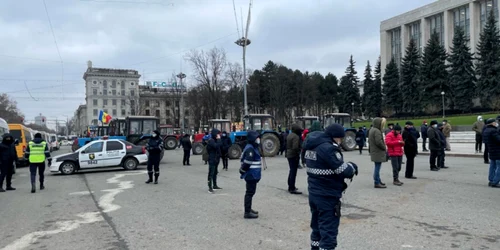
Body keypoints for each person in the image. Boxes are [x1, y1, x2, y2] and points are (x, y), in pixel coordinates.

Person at [304, 123, 358, 250]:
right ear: (335, 137)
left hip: (314, 193)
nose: (340, 141)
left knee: (317, 229)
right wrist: (352, 166)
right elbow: (343, 170)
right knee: (328, 233)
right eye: (340, 138)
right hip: (327, 195)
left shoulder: (311, 146)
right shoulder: (328, 149)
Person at [239, 130, 262, 219]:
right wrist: (242, 170)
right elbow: (248, 162)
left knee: (251, 192)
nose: (258, 140)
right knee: (249, 192)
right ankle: (247, 212)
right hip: (251, 175)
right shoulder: (250, 149)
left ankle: (249, 209)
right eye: (257, 138)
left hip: (253, 174)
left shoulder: (252, 147)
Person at [369, 117, 388, 188]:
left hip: (374, 151)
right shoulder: (377, 131)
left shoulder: (372, 129)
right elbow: (379, 142)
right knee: (377, 168)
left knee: (377, 167)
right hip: (378, 152)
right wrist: (384, 147)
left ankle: (378, 180)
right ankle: (376, 182)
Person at [286, 124, 303, 194]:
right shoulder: (296, 137)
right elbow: (295, 147)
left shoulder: (290, 135)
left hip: (289, 154)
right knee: (293, 172)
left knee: (291, 171)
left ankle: (290, 185)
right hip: (293, 155)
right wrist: (298, 152)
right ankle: (292, 188)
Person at [483, 118, 500, 188]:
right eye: (495, 122)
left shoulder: (486, 130)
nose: (496, 123)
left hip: (491, 150)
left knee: (492, 166)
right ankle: (495, 182)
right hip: (497, 151)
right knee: (498, 167)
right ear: (492, 123)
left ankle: (491, 180)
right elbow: (498, 140)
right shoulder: (493, 131)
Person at [206, 129, 222, 193]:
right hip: (212, 159)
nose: (219, 135)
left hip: (216, 159)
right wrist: (219, 139)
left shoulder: (215, 140)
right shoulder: (211, 141)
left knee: (215, 172)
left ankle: (215, 185)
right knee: (211, 173)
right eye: (218, 134)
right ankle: (210, 187)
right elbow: (216, 146)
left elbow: (220, 145)